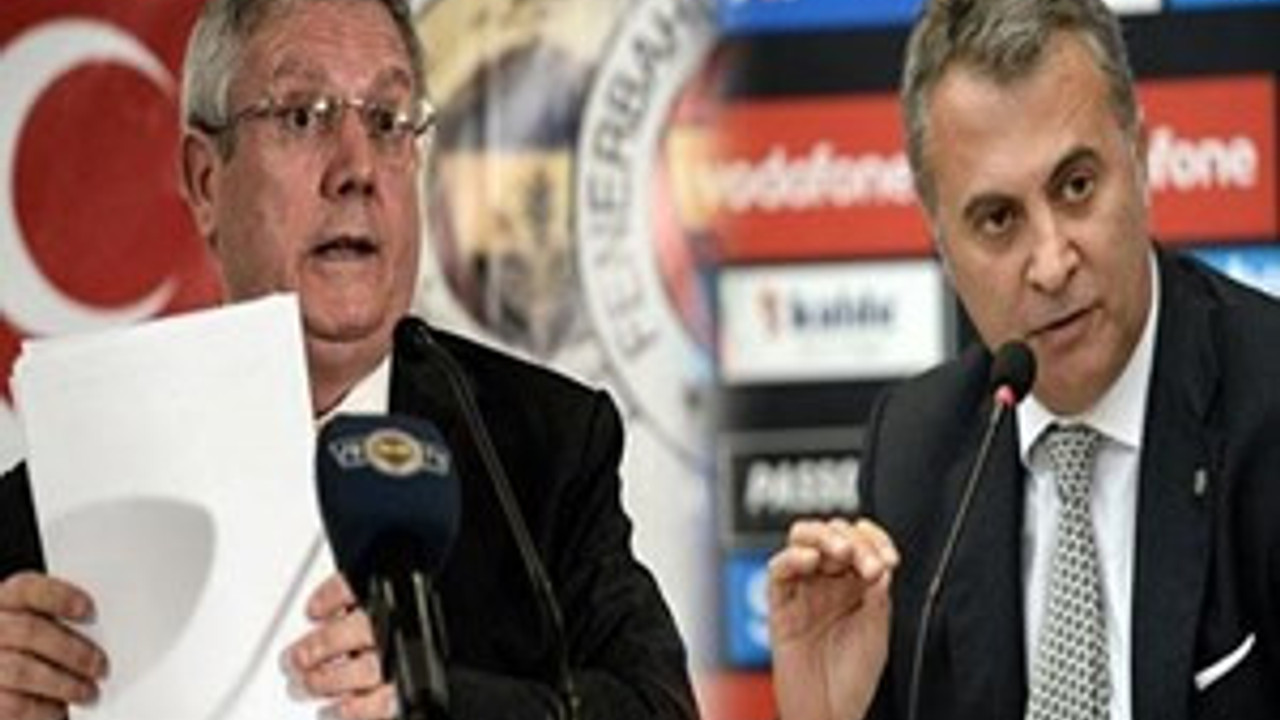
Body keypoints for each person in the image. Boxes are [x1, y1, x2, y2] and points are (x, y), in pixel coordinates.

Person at [0, 1, 698, 719]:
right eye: (303, 116)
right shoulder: (65, 502)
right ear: (207, 181)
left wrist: (422, 701)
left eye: (389, 121)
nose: (358, 168)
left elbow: (658, 708)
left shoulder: (540, 451)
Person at [767, 1, 1280, 720]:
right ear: (941, 241)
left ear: (1140, 158)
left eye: (1076, 187)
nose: (1051, 263)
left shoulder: (1268, 401)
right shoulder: (916, 456)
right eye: (998, 219)